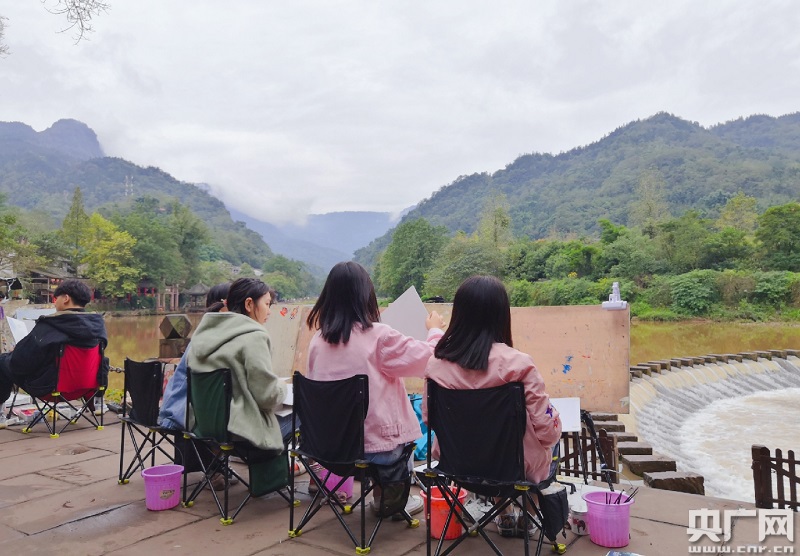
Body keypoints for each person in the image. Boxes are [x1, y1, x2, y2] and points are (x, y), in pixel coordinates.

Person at [424, 275, 562, 538]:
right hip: (514, 471)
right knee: (547, 436)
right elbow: (546, 429)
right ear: (501, 315)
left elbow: (431, 420)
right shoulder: (519, 364)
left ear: (458, 315)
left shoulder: (436, 364)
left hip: (457, 465)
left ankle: (504, 514)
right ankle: (527, 518)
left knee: (495, 443)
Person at [305, 261, 445, 514]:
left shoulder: (317, 341)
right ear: (366, 296)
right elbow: (432, 358)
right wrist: (434, 330)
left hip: (327, 448)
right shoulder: (379, 336)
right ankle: (386, 501)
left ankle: (381, 498)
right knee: (396, 438)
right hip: (376, 452)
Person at [187, 277, 287, 454]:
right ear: (249, 304)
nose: (269, 312)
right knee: (297, 416)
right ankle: (290, 469)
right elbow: (267, 397)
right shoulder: (255, 337)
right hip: (240, 430)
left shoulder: (201, 336)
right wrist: (282, 387)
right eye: (267, 304)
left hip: (202, 427)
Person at [0, 279, 107, 407]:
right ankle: (98, 403)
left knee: (2, 361)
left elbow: (19, 362)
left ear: (66, 298)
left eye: (56, 298)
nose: (55, 303)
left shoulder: (50, 325)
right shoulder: (98, 328)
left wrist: (15, 352)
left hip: (49, 389)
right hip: (86, 389)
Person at [158, 282, 230, 431]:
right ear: (225, 305)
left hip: (182, 415)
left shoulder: (201, 335)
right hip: (192, 420)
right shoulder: (213, 340)